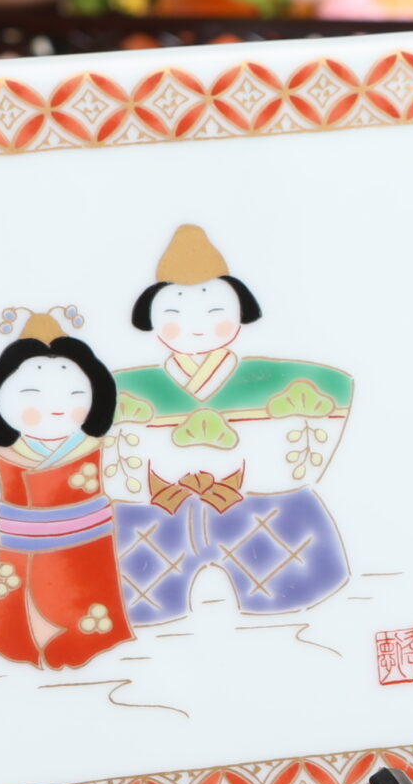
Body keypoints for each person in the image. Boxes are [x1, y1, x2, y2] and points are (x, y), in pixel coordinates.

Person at [108, 225, 354, 624]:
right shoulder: (126, 388)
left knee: (285, 593)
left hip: (256, 507)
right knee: (144, 591)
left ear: (240, 313)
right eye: (174, 315)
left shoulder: (273, 379)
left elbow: (330, 397)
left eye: (214, 313)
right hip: (162, 509)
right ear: (151, 319)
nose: (196, 326)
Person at [0, 307, 131, 670]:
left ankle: (90, 638)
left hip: (86, 546)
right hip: (22, 546)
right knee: (24, 614)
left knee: (86, 602)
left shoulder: (92, 448)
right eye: (32, 395)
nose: (56, 407)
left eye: (74, 394)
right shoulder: (10, 453)